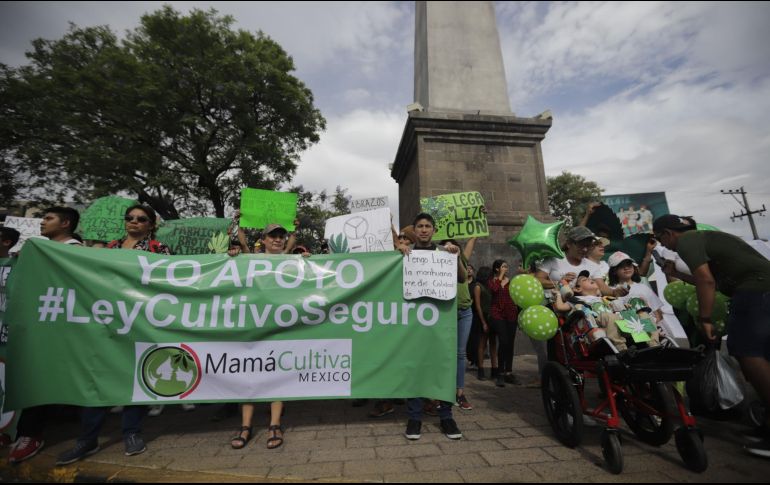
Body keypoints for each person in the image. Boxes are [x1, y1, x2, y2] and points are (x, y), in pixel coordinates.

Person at [56, 204, 169, 466]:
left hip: (141, 321)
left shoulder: (159, 250)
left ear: (150, 225)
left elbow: (168, 282)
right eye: (130, 218)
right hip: (106, 322)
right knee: (98, 378)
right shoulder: (108, 249)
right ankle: (88, 439)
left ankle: (131, 433)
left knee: (135, 379)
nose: (134, 222)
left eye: (141, 219)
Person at [653, 214, 770, 458]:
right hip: (760, 290)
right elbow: (707, 279)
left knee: (748, 353)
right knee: (760, 353)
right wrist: (676, 272)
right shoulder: (704, 238)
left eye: (660, 239)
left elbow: (706, 281)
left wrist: (705, 319)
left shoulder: (688, 242)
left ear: (668, 233)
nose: (662, 245)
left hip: (755, 292)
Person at [9, 208, 82, 464]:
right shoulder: (38, 249)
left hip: (62, 324)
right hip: (42, 320)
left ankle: (31, 434)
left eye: (49, 218)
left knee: (40, 375)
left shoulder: (75, 250)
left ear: (66, 223)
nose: (42, 222)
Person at [227, 223, 306, 449]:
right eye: (273, 236)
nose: (278, 240)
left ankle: (274, 425)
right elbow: (241, 244)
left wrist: (309, 260)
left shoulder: (292, 260)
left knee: (276, 376)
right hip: (254, 325)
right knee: (249, 376)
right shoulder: (250, 259)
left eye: (281, 236)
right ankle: (245, 426)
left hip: (279, 327)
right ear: (264, 239)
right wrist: (235, 244)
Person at [398, 213, 465, 441]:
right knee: (415, 366)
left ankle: (446, 416)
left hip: (442, 320)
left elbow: (463, 279)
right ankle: (414, 417)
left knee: (444, 366)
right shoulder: (406, 254)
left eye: (428, 226)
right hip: (414, 322)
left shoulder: (444, 253)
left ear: (434, 230)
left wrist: (455, 256)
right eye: (420, 226)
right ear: (414, 231)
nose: (424, 230)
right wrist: (398, 254)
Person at [487, 260, 519, 387]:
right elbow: (494, 290)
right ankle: (500, 373)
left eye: (507, 266)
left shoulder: (512, 281)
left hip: (511, 314)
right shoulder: (492, 281)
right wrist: (500, 276)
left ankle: (508, 372)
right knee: (503, 341)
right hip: (497, 314)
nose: (506, 268)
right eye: (503, 266)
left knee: (510, 343)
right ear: (496, 269)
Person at [472, 266, 496, 381]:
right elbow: (477, 305)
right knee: (482, 344)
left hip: (492, 316)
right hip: (482, 317)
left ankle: (494, 369)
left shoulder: (490, 286)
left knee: (493, 343)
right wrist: (483, 322)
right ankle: (481, 369)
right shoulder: (478, 286)